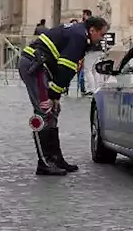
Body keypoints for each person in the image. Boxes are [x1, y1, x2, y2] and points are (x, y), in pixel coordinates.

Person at [19, 15, 109, 176]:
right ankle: (45, 162)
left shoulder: (80, 34)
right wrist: (54, 95)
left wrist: (56, 96)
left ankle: (55, 158)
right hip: (35, 67)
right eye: (101, 34)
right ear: (92, 30)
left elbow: (66, 68)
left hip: (41, 67)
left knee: (53, 111)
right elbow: (66, 66)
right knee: (44, 111)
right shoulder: (79, 36)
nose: (101, 38)